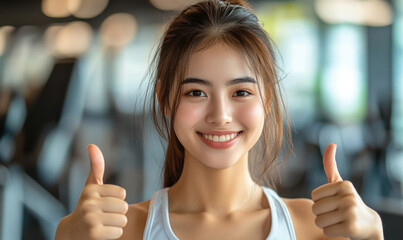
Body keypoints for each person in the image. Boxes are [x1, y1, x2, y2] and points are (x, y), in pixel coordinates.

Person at [55, 0, 384, 239]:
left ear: (267, 97)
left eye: (241, 92)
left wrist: (372, 235)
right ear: (164, 98)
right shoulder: (122, 232)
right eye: (196, 93)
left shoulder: (317, 228)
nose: (220, 116)